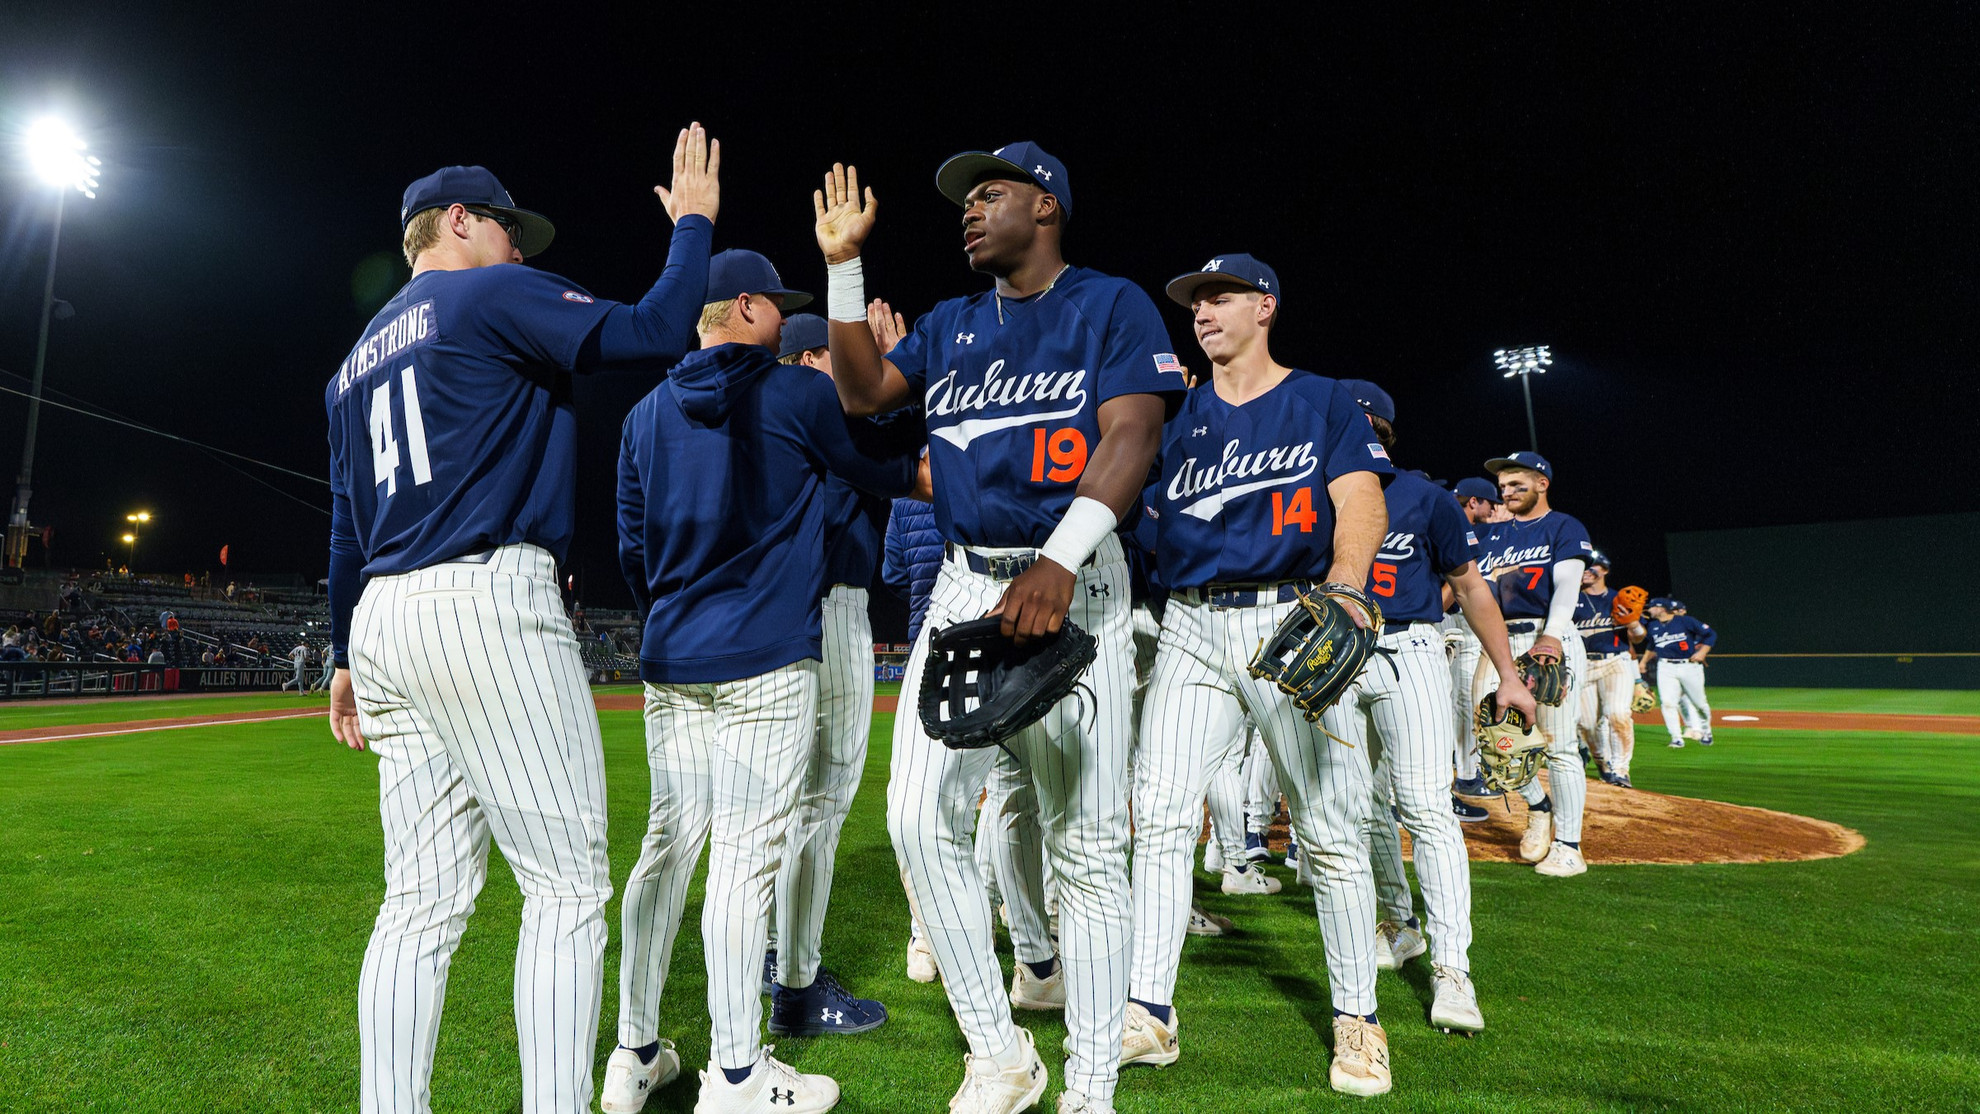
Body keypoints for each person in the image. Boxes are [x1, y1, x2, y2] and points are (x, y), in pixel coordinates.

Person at [324, 125, 721, 1114]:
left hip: (383, 618)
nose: (519, 249)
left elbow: (344, 531)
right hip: (483, 602)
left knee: (417, 905)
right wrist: (696, 227)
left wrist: (341, 656)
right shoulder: (483, 290)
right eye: (507, 228)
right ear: (458, 223)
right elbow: (654, 330)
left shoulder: (350, 365)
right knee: (565, 885)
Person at [811, 145, 1179, 1114]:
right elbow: (860, 393)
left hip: (1079, 576)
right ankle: (1000, 1050)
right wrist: (843, 267)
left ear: (1045, 204)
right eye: (963, 200)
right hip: (966, 581)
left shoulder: (1111, 303)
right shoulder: (951, 322)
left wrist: (1061, 556)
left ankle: (1092, 1083)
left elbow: (1132, 433)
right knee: (913, 818)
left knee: (1090, 846)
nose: (968, 210)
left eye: (989, 193)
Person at [606, 249, 920, 1114]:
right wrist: (897, 381)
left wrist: (681, 612)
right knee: (745, 865)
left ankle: (634, 1053)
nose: (786, 321)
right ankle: (738, 1073)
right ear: (741, 306)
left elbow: (632, 551)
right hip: (766, 660)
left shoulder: (641, 416)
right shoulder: (796, 393)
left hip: (672, 661)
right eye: (774, 306)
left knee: (665, 850)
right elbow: (885, 464)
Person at [1121, 254, 1394, 1096]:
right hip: (1191, 626)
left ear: (1265, 306)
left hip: (1289, 618)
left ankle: (1359, 1020)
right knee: (1162, 816)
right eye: (1195, 301)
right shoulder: (1176, 417)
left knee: (1329, 827)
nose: (1201, 312)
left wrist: (1346, 589)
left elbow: (1359, 498)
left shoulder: (1319, 399)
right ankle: (1149, 1011)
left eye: (1219, 296)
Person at [1335, 380, 1534, 1035]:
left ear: (1378, 429)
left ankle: (1453, 969)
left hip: (1409, 650)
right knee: (1358, 805)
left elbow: (1470, 587)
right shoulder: (1309, 496)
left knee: (1424, 806)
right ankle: (1398, 923)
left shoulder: (1427, 499)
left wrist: (1508, 674)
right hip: (1336, 656)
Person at [758, 309, 903, 1033]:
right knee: (822, 798)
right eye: (836, 356)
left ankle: (765, 948)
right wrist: (896, 377)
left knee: (765, 803)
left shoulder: (753, 416)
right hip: (831, 607)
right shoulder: (826, 422)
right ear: (814, 359)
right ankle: (797, 981)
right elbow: (895, 451)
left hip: (758, 614)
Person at [1474, 453, 1597, 878]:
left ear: (1542, 483)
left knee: (1560, 745)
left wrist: (1553, 634)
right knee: (1493, 736)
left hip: (1549, 635)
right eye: (1503, 486)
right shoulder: (1490, 537)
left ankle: (1569, 846)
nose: (1506, 492)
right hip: (1500, 642)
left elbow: (1565, 584)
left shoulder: (1563, 526)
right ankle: (1538, 806)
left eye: (1516, 484)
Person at [1447, 476, 1507, 801]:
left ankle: (1464, 772)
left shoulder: (1472, 529)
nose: (1494, 509)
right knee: (1462, 702)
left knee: (1458, 701)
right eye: (1490, 503)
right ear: (1473, 502)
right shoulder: (1454, 525)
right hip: (1453, 620)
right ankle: (1466, 775)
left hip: (1453, 621)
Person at [1574, 553, 1640, 786]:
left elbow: (1639, 637)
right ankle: (1602, 761)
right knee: (1587, 724)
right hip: (1584, 665)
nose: (1588, 570)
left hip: (1615, 662)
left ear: (1605, 571)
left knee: (1618, 715)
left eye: (1593, 567)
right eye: (1585, 566)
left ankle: (1621, 770)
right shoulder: (1570, 598)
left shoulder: (1619, 599)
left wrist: (1634, 624)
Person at [1639, 598, 1717, 747]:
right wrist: (1643, 662)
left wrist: (1703, 652)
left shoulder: (1685, 621)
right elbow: (1651, 645)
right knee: (1668, 703)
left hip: (1689, 665)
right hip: (1665, 666)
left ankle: (1706, 731)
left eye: (1653, 607)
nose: (1649, 610)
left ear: (1662, 609)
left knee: (1700, 704)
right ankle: (1676, 738)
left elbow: (1711, 634)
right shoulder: (1654, 625)